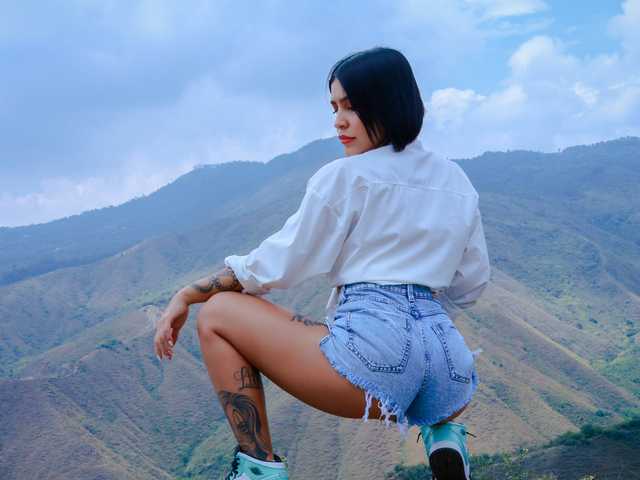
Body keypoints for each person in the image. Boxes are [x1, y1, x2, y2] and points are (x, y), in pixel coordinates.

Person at [154, 46, 490, 480]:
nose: (339, 121)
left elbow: (275, 266)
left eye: (352, 107)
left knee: (218, 313)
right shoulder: (456, 181)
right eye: (334, 108)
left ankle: (258, 469)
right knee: (422, 363)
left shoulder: (346, 177)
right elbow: (471, 284)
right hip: (450, 368)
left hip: (377, 363)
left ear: (390, 103)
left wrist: (187, 294)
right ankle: (443, 434)